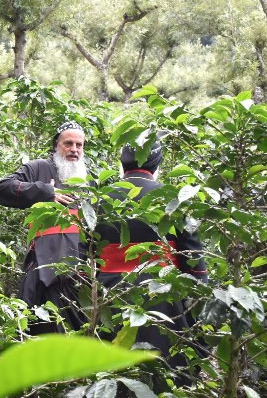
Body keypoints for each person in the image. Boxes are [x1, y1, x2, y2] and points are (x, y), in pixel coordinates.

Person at [95, 142, 207, 373]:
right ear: (157, 166)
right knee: (165, 372)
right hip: (163, 300)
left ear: (122, 164)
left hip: (108, 298)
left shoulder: (99, 199)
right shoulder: (175, 198)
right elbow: (194, 262)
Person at [0, 121, 88, 333]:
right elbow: (2, 188)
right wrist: (46, 192)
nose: (74, 149)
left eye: (79, 145)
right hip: (43, 268)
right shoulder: (39, 168)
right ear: (56, 145)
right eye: (68, 144)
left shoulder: (88, 179)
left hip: (80, 272)